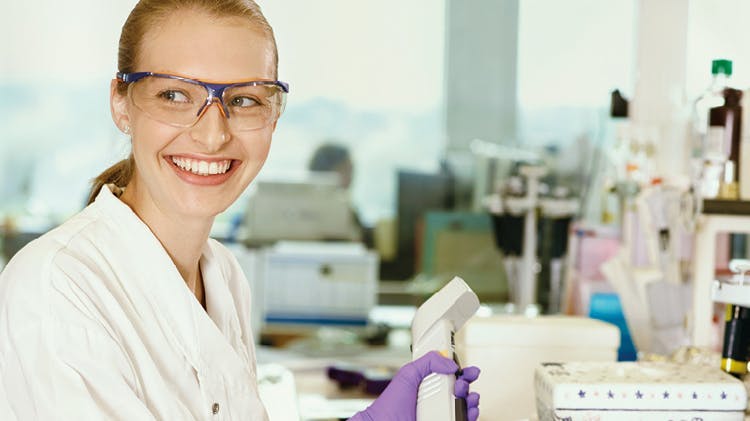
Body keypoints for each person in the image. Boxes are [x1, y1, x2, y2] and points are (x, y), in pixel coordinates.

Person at [0, 0, 480, 420]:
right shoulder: (56, 289)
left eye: (245, 100)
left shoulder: (223, 274)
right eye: (174, 95)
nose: (213, 135)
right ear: (121, 104)